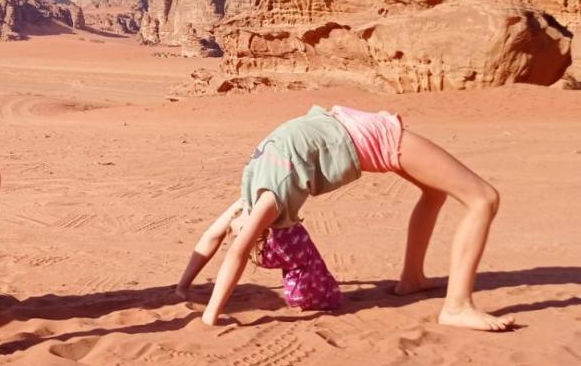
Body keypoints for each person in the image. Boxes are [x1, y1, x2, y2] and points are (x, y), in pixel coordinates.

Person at [175, 105, 514, 332]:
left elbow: (215, 238)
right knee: (484, 198)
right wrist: (211, 316)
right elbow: (232, 248)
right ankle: (456, 306)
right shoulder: (267, 201)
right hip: (380, 139)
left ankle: (412, 278)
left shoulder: (249, 203)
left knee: (436, 191)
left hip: (356, 131)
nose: (237, 227)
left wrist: (185, 287)